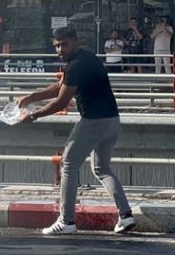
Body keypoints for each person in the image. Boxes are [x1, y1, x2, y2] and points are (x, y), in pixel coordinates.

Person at [18, 27, 134, 235]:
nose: (60, 49)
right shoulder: (87, 58)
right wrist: (31, 98)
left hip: (93, 122)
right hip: (112, 121)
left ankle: (66, 221)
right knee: (102, 168)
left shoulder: (76, 65)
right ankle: (125, 215)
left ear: (75, 43)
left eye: (64, 44)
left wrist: (34, 115)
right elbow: (59, 86)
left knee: (68, 164)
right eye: (56, 45)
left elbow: (61, 101)